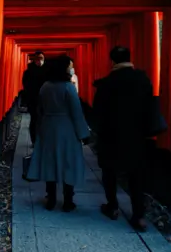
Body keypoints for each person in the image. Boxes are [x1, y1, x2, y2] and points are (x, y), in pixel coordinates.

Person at [92, 46, 154, 232]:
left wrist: (98, 133)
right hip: (136, 135)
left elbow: (98, 113)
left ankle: (112, 206)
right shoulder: (142, 80)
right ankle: (139, 215)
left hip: (111, 136)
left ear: (113, 61)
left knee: (109, 171)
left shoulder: (106, 84)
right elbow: (150, 106)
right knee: (136, 175)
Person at [25, 55, 90, 212]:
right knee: (68, 162)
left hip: (48, 127)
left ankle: (51, 198)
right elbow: (76, 112)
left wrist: (39, 128)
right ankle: (68, 200)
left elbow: (39, 109)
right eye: (69, 66)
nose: (71, 69)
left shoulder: (45, 86)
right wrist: (84, 133)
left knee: (49, 162)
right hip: (66, 128)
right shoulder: (68, 87)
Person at [21, 51, 46, 145]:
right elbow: (26, 85)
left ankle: (40, 140)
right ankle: (35, 140)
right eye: (38, 58)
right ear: (34, 59)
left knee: (42, 120)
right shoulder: (28, 72)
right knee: (35, 120)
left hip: (44, 100)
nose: (40, 61)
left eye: (41, 58)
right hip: (33, 100)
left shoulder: (47, 71)